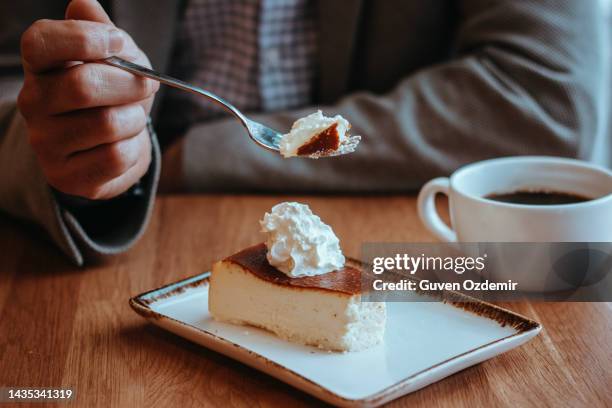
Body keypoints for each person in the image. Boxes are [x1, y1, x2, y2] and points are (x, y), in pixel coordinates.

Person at [0, 0, 608, 265]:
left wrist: (190, 158)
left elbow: (545, 95)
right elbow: (12, 73)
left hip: (407, 244)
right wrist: (67, 133)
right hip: (115, 225)